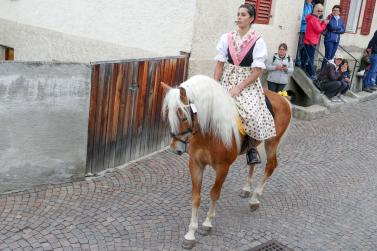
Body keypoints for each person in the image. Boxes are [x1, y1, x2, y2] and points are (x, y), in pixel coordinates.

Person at [214, 3, 276, 165]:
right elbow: (220, 64)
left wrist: (238, 88)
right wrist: (214, 84)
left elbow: (257, 71)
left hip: (246, 83)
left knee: (252, 114)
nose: (239, 17)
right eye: (238, 14)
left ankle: (251, 148)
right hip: (227, 78)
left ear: (251, 19)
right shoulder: (226, 37)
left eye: (243, 15)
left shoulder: (258, 41)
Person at [301, 3, 329, 79]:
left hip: (308, 40)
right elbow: (319, 30)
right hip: (312, 41)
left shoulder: (311, 17)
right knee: (311, 58)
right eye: (320, 11)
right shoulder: (314, 19)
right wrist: (325, 23)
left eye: (322, 11)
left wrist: (321, 22)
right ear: (316, 10)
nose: (321, 13)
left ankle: (302, 67)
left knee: (306, 56)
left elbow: (315, 28)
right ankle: (311, 74)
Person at [322, 5, 345, 69]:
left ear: (339, 12)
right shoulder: (330, 17)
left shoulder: (341, 19)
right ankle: (322, 72)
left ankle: (327, 72)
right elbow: (331, 27)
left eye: (336, 10)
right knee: (328, 56)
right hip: (329, 39)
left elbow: (343, 30)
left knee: (332, 57)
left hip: (336, 41)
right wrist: (339, 29)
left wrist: (335, 30)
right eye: (333, 10)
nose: (335, 11)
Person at [296, 0, 314, 67]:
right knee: (300, 46)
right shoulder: (303, 4)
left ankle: (302, 61)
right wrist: (309, 21)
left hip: (308, 30)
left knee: (304, 46)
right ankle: (297, 60)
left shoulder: (311, 6)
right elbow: (301, 17)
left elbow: (311, 17)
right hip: (302, 28)